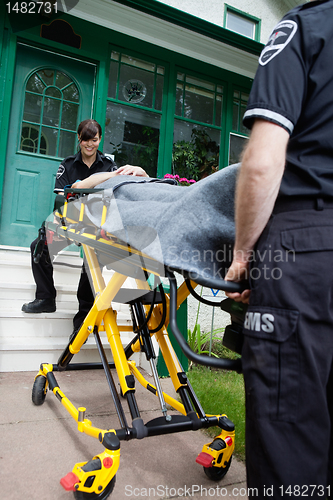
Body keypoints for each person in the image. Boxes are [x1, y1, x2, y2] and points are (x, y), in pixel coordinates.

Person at [225, 0, 333, 497]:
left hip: (302, 251)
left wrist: (245, 256)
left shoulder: (302, 29)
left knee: (288, 444)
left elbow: (263, 163)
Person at [22, 119, 147, 334]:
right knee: (39, 245)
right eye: (86, 140)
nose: (90, 145)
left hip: (98, 224)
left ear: (100, 140)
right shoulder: (67, 164)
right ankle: (45, 297)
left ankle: (84, 316)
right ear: (79, 139)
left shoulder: (109, 165)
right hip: (70, 220)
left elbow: (126, 183)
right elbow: (62, 196)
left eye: (95, 140)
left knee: (92, 261)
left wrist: (131, 171)